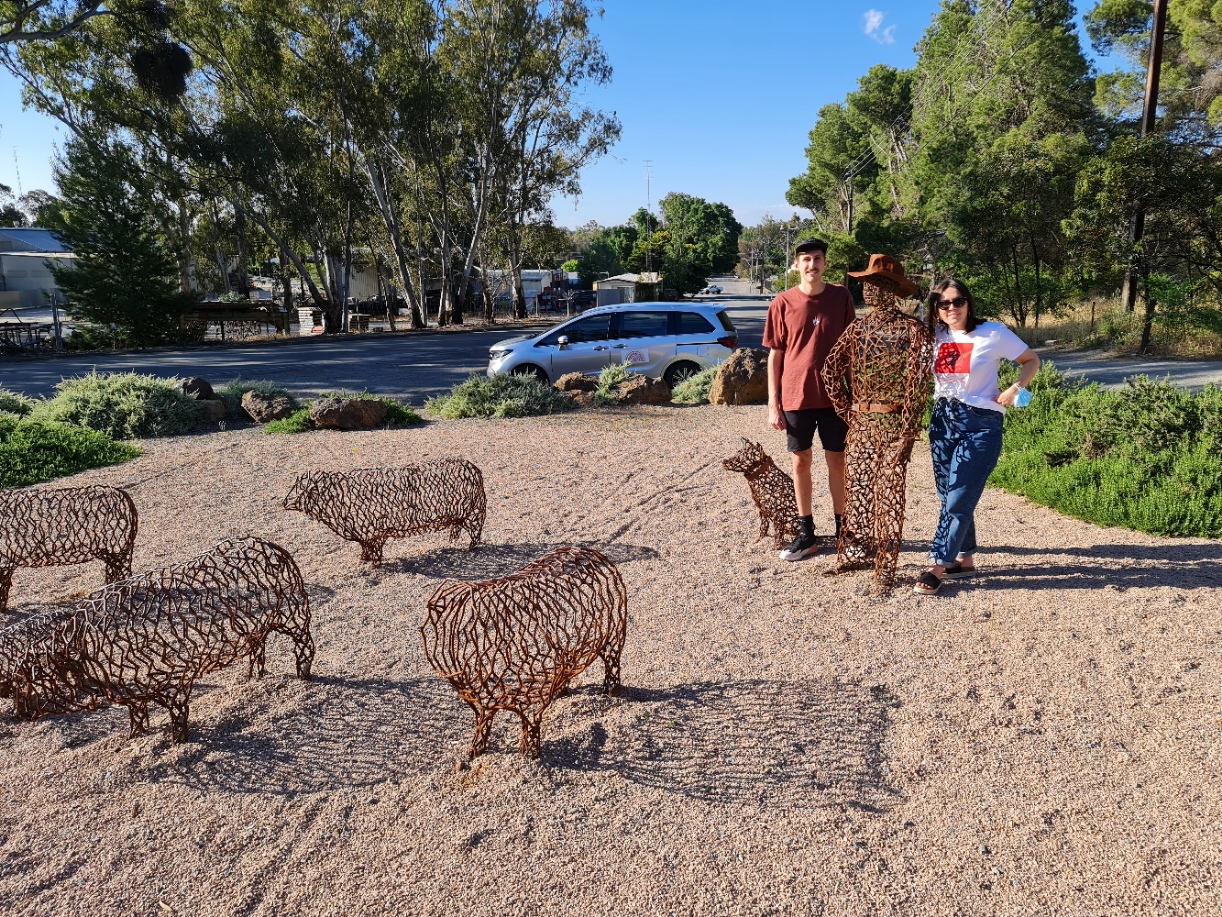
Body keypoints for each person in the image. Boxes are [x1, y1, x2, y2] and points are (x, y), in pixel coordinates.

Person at [914, 279, 1041, 595]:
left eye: (957, 302)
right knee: (949, 495)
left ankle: (937, 566)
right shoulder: (935, 335)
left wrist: (1016, 388)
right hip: (942, 420)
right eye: (943, 304)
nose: (951, 308)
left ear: (968, 303)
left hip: (981, 424)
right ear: (936, 308)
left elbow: (1031, 360)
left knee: (958, 496)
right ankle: (964, 560)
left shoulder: (993, 332)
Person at [764, 237, 856, 561]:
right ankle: (807, 536)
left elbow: (850, 350)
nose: (812, 265)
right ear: (797, 265)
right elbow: (776, 356)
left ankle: (845, 533)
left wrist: (854, 395)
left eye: (817, 258)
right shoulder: (782, 303)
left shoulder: (841, 297)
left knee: (838, 462)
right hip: (795, 397)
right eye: (805, 259)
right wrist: (773, 403)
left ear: (824, 263)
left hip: (834, 399)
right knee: (800, 462)